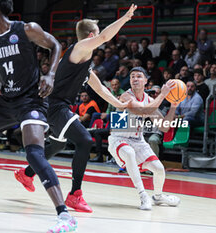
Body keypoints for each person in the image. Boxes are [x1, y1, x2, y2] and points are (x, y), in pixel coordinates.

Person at [14, 4, 137, 215]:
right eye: (96, 35)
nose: (100, 39)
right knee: (85, 141)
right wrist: (125, 18)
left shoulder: (84, 61)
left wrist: (120, 104)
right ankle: (74, 195)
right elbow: (106, 37)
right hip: (55, 106)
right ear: (90, 36)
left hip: (56, 106)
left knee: (57, 145)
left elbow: (99, 88)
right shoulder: (79, 48)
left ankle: (26, 173)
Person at [0, 0, 79, 232]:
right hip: (5, 102)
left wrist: (51, 75)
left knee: (34, 154)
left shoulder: (26, 29)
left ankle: (65, 216)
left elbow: (56, 45)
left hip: (31, 100)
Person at [108, 66, 180, 210]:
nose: (135, 78)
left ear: (146, 80)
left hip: (138, 141)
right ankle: (143, 195)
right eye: (132, 76)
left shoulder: (149, 100)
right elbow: (142, 110)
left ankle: (158, 197)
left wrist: (173, 106)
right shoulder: (126, 97)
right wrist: (163, 95)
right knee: (128, 153)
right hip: (118, 139)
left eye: (139, 76)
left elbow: (164, 126)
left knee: (159, 169)